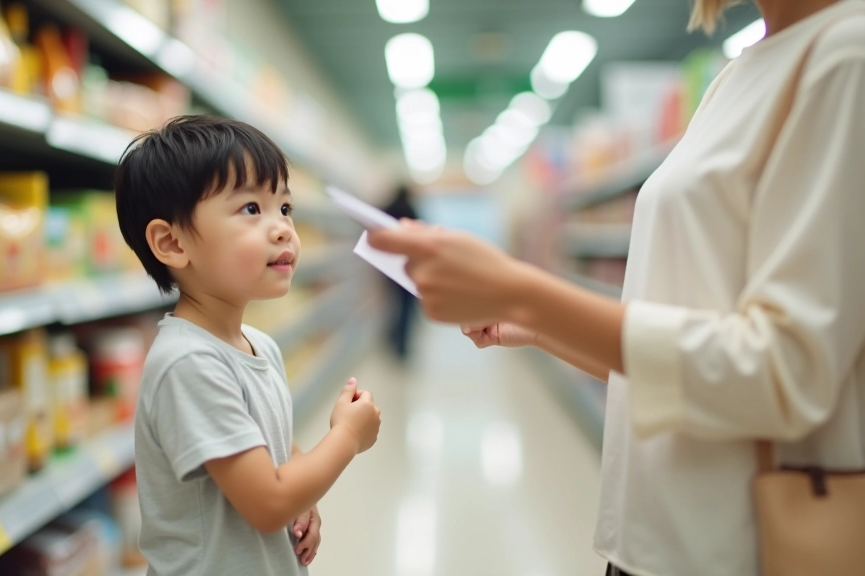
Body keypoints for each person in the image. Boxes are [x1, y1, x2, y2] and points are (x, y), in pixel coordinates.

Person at [367, 0, 865, 574]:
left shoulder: (843, 54)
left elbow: (786, 370)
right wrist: (543, 327)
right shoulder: (737, 73)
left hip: (737, 547)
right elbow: (678, 356)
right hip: (648, 539)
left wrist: (523, 290)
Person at [115, 116, 382, 576]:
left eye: (285, 208)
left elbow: (276, 452)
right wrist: (347, 438)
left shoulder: (258, 345)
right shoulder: (189, 363)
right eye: (251, 210)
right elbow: (268, 502)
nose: (282, 229)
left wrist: (307, 498)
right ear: (172, 242)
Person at [382, 184, 419, 361]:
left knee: (392, 305)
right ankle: (402, 346)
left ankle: (392, 340)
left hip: (387, 266)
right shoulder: (410, 210)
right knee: (406, 309)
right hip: (407, 268)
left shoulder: (388, 208)